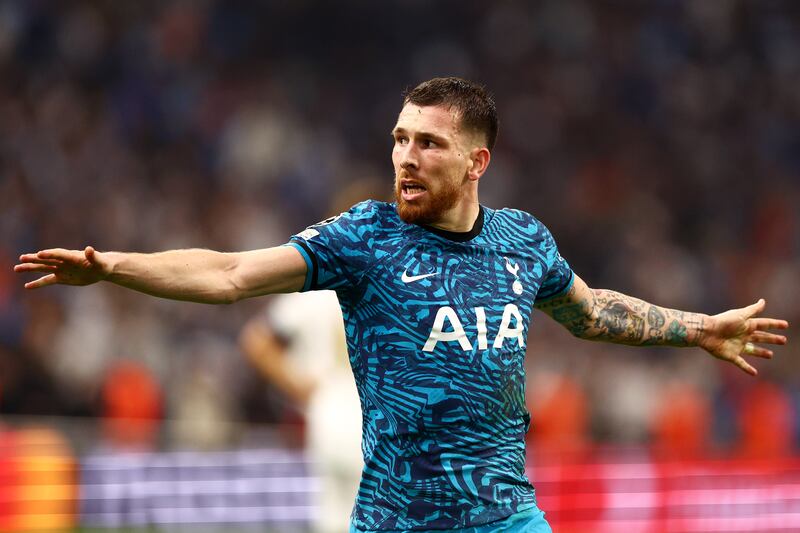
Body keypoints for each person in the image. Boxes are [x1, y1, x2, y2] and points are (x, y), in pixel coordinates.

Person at [14, 77, 789, 533]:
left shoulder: (523, 241)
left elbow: (591, 312)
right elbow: (228, 274)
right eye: (399, 139)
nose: (403, 159)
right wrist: (114, 265)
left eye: (427, 144)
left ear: (477, 160)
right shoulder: (365, 237)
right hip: (396, 517)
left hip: (504, 513)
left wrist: (696, 328)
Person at [240, 290, 362, 533]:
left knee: (334, 516)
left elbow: (256, 340)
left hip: (329, 415)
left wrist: (298, 386)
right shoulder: (385, 281)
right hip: (373, 417)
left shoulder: (316, 292)